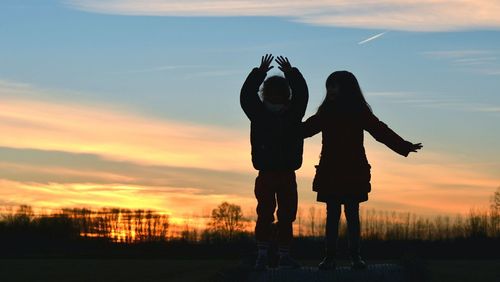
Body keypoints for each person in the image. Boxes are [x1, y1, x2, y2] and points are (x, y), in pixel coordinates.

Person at [302, 71, 422, 270]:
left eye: (334, 85)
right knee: (332, 215)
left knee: (352, 214)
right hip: (331, 171)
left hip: (352, 171)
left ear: (346, 88)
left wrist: (403, 145)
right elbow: (305, 130)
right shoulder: (326, 113)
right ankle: (329, 257)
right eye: (328, 86)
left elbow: (380, 131)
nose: (330, 90)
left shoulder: (358, 112)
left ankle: (355, 257)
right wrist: (281, 129)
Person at [240, 54, 308, 270]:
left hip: (285, 173)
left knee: (285, 216)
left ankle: (282, 256)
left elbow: (302, 95)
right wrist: (259, 73)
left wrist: (290, 73)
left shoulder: (292, 113)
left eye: (281, 92)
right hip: (268, 173)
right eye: (274, 92)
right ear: (267, 93)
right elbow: (246, 97)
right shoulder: (259, 113)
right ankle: (263, 255)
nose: (277, 96)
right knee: (267, 215)